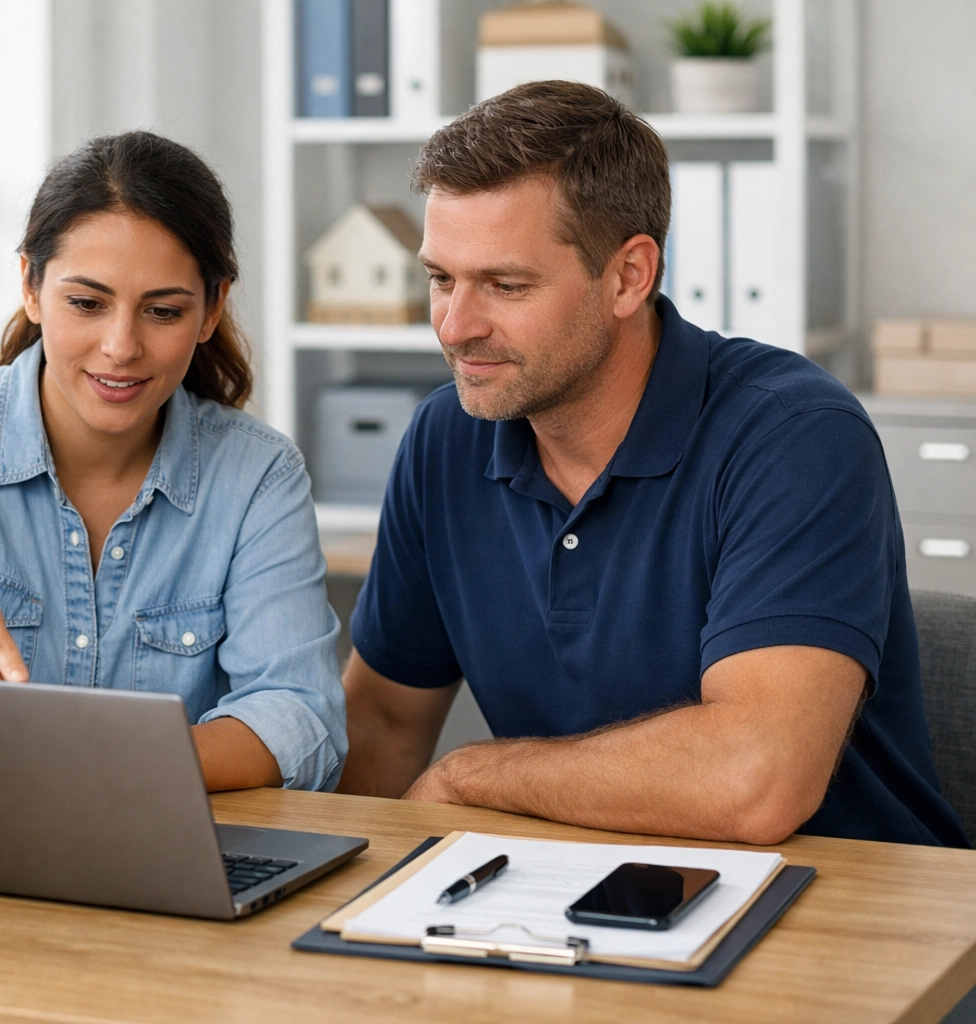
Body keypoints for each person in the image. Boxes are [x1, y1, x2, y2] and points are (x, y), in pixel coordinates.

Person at [336, 81, 969, 847]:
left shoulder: (795, 436)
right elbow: (383, 722)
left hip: (845, 914)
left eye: (506, 285)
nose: (455, 325)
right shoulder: (446, 436)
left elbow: (755, 780)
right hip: (572, 903)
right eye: (441, 277)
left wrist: (470, 776)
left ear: (629, 276)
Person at [0, 131, 345, 793]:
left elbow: (299, 716)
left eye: (163, 311)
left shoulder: (258, 476)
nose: (121, 346)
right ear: (30, 285)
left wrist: (89, 763)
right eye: (86, 303)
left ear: (212, 309)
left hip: (164, 851)